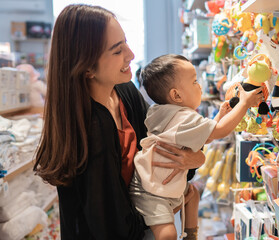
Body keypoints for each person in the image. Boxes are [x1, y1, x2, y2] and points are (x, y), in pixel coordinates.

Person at [33, 5, 205, 240]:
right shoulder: (89, 129)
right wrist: (163, 211)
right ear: (87, 68)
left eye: (125, 42)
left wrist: (195, 158)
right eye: (117, 51)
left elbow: (171, 145)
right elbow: (112, 228)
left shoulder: (125, 92)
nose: (131, 54)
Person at [130, 54, 262, 240]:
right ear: (176, 95)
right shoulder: (184, 117)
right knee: (167, 234)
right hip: (151, 191)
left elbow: (202, 137)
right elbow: (220, 131)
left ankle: (190, 236)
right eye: (194, 82)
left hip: (155, 180)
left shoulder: (162, 112)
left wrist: (218, 117)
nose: (200, 85)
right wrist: (245, 103)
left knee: (191, 194)